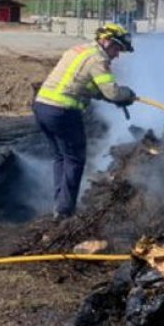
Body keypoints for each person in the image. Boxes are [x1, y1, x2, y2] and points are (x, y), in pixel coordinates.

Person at [32, 22, 137, 219]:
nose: (117, 54)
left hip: (42, 108)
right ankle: (65, 211)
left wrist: (104, 96)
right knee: (75, 159)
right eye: (116, 48)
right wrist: (127, 94)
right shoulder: (98, 59)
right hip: (63, 112)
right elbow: (113, 92)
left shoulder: (78, 50)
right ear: (105, 41)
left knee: (61, 157)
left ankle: (59, 204)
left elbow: (82, 85)